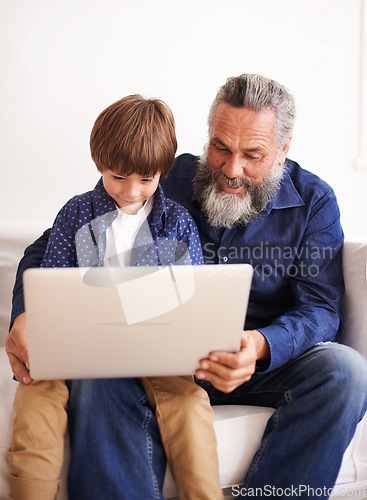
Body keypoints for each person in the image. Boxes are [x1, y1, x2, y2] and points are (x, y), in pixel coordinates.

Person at [6, 73, 367, 500]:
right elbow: (54, 244)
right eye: (220, 148)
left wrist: (261, 345)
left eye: (253, 154)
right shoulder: (157, 175)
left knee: (346, 373)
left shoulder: (314, 204)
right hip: (158, 356)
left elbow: (321, 309)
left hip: (253, 361)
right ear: (208, 135)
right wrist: (26, 314)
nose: (232, 169)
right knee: (100, 367)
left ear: (283, 149)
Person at [6, 95, 223, 500]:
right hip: (74, 348)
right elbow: (49, 280)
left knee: (191, 406)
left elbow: (192, 295)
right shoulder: (76, 212)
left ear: (162, 171)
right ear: (99, 164)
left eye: (146, 179)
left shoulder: (176, 221)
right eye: (118, 176)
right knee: (36, 408)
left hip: (155, 352)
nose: (131, 191)